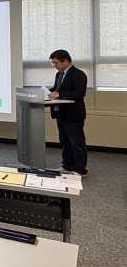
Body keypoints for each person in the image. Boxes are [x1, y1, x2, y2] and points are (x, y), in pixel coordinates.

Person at [48, 49, 88, 177]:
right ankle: (67, 165)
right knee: (65, 141)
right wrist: (47, 92)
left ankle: (80, 170)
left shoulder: (78, 74)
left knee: (77, 143)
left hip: (73, 114)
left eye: (56, 63)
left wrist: (59, 94)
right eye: (53, 63)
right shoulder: (59, 74)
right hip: (60, 113)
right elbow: (57, 89)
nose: (54, 66)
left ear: (65, 61)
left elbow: (80, 92)